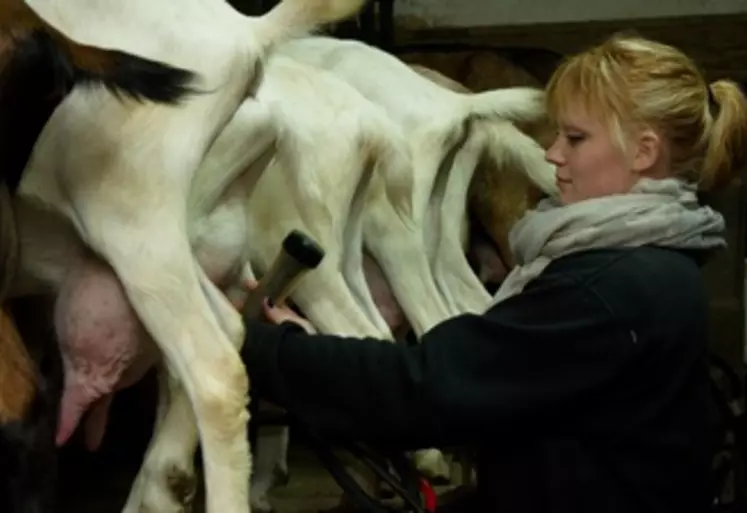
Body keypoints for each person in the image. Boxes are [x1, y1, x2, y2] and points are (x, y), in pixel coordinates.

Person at [240, 32, 747, 513]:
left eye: (574, 138)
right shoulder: (660, 263)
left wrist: (252, 343)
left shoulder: (606, 289)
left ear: (645, 151)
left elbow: (425, 390)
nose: (552, 154)